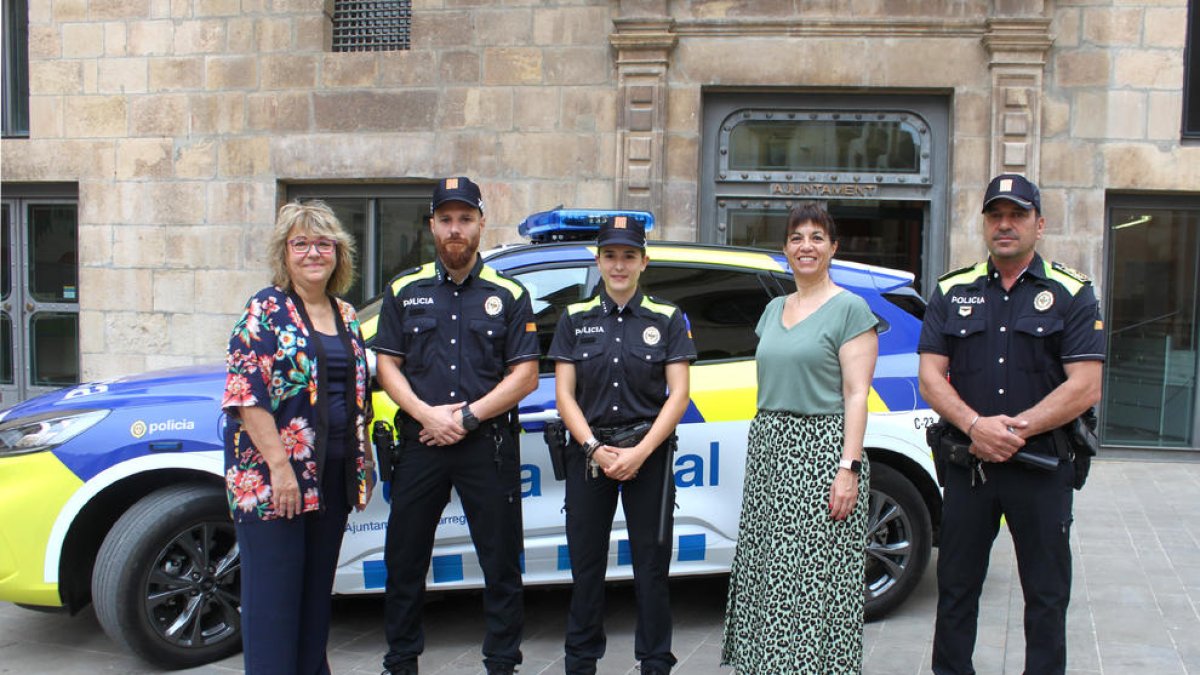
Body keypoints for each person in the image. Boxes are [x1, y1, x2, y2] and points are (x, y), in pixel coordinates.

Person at [919, 174, 1104, 675]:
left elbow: (1085, 385)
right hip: (969, 468)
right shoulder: (951, 289)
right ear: (984, 224)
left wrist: (1013, 430)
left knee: (1046, 596)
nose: (1005, 225)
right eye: (996, 215)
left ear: (1038, 225)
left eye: (1017, 215)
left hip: (1042, 467)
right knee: (956, 590)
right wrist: (976, 425)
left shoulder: (1072, 292)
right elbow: (931, 378)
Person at [374, 177, 539, 675]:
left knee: (501, 564)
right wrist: (428, 416)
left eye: (465, 219)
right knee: (403, 562)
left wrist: (465, 417)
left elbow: (525, 375)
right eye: (445, 219)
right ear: (431, 227)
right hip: (421, 442)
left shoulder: (510, 293)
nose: (455, 229)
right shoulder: (404, 291)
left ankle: (502, 663)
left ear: (480, 225)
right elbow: (387, 366)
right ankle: (400, 662)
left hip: (486, 443)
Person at [722, 202, 878, 674]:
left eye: (816, 237)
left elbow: (856, 395)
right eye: (796, 238)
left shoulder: (851, 308)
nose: (805, 246)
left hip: (822, 453)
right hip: (772, 449)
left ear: (833, 247)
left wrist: (847, 469)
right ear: (785, 249)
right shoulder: (773, 309)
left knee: (814, 578)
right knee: (770, 571)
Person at [222, 201, 375, 674]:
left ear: (338, 253)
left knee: (313, 603)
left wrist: (362, 463)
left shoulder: (345, 313)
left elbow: (356, 393)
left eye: (323, 243)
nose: (314, 253)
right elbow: (246, 395)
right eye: (301, 243)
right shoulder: (265, 309)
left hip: (330, 478)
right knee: (273, 607)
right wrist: (281, 469)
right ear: (285, 253)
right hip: (275, 484)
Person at [547, 216, 697, 675]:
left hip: (647, 457)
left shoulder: (668, 319)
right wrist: (593, 447)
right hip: (590, 457)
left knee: (651, 570)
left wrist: (640, 452)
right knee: (586, 570)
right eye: (610, 255)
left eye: (628, 255)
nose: (618, 264)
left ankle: (654, 662)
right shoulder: (573, 319)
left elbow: (680, 394)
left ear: (643, 262)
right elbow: (564, 395)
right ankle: (581, 662)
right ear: (598, 260)